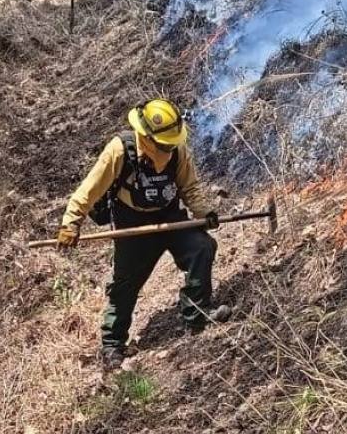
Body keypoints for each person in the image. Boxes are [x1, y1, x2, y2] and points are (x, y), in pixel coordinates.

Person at [57, 98, 230, 370]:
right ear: (146, 137)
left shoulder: (177, 150)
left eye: (170, 144)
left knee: (202, 247)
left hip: (170, 215)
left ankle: (197, 313)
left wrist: (204, 212)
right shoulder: (119, 150)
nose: (167, 149)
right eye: (163, 145)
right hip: (132, 223)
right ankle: (112, 344)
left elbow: (190, 187)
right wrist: (71, 223)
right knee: (125, 284)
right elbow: (88, 191)